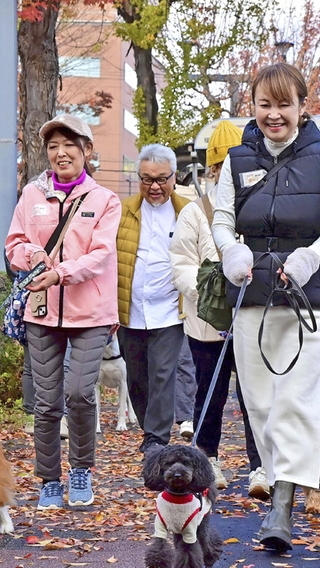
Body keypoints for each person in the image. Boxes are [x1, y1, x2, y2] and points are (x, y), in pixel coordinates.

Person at [212, 62, 320, 553]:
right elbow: (223, 220)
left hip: (309, 291)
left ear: (302, 107)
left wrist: (310, 257)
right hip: (252, 291)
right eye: (265, 105)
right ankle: (284, 473)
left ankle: (282, 507)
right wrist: (231, 251)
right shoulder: (235, 159)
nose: (275, 115)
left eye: (284, 105)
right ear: (252, 106)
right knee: (262, 403)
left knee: (296, 398)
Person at [6, 114, 122, 510]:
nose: (60, 153)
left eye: (69, 145)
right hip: (41, 312)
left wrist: (60, 274)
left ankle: (82, 470)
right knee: (47, 401)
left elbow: (101, 255)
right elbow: (14, 245)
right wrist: (32, 254)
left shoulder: (104, 200)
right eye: (53, 146)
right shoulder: (31, 196)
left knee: (78, 394)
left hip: (91, 313)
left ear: (87, 151)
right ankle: (50, 480)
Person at [168, 119, 266, 498]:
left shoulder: (258, 209)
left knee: (254, 395)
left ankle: (260, 466)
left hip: (253, 319)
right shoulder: (195, 212)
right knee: (210, 391)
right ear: (212, 170)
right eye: (222, 166)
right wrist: (210, 296)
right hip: (207, 322)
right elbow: (181, 263)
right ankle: (208, 461)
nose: (229, 173)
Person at [116, 144, 191, 454]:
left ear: (174, 177)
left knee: (162, 373)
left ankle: (156, 439)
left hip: (170, 311)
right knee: (136, 375)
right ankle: (150, 428)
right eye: (146, 179)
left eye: (162, 179)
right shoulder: (122, 211)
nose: (155, 186)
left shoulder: (188, 211)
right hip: (129, 309)